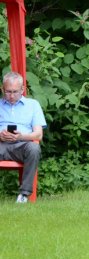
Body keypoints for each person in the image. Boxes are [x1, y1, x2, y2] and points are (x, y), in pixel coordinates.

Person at [0, 71, 46, 203]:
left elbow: (38, 134)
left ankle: (24, 195)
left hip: (21, 145)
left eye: (15, 91)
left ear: (22, 89)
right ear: (3, 89)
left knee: (34, 148)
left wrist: (21, 136)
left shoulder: (33, 105)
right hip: (1, 145)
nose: (11, 96)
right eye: (8, 92)